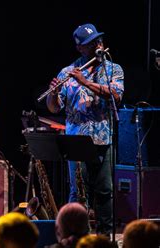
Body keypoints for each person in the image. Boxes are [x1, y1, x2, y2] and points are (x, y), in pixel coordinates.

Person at [46, 23, 124, 235]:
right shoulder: (67, 72)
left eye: (99, 40)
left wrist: (85, 82)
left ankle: (104, 236)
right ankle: (76, 237)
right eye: (91, 43)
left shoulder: (113, 69)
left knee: (105, 192)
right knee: (78, 193)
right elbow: (54, 107)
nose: (98, 44)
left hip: (102, 140)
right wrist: (53, 94)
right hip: (76, 142)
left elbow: (116, 95)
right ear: (81, 48)